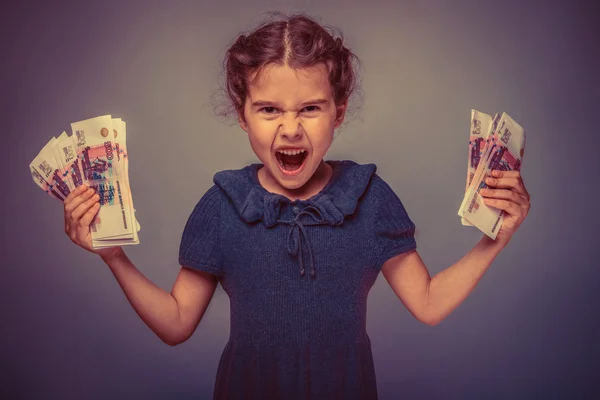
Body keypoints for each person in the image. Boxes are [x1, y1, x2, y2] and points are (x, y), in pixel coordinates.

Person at [62, 12, 531, 400]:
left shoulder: (369, 198)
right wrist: (113, 256)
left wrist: (495, 240)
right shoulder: (221, 206)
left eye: (310, 108)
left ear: (338, 113)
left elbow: (428, 304)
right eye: (269, 109)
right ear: (242, 114)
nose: (290, 128)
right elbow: (176, 323)